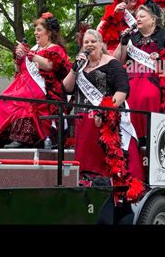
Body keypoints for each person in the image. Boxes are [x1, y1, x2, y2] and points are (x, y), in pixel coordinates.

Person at [63, 29, 144, 201]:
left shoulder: (112, 64)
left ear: (101, 44)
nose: (89, 45)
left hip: (105, 121)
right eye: (86, 42)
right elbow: (67, 87)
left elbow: (123, 90)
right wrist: (73, 69)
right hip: (82, 121)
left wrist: (106, 110)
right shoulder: (80, 65)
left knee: (104, 164)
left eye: (93, 41)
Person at [0, 12, 71, 149]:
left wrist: (29, 54)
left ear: (49, 32)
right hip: (24, 86)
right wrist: (18, 58)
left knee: (22, 99)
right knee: (5, 97)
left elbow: (49, 65)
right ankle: (1, 136)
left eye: (39, 30)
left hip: (45, 89)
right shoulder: (35, 49)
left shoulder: (55, 49)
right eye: (35, 29)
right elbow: (19, 71)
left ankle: (22, 137)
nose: (35, 33)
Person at [114, 0, 165, 140]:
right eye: (137, 17)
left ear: (153, 19)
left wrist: (162, 56)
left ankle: (149, 136)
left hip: (156, 80)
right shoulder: (132, 37)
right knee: (127, 99)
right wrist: (123, 43)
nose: (138, 19)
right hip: (132, 80)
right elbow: (118, 61)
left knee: (148, 95)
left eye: (142, 16)